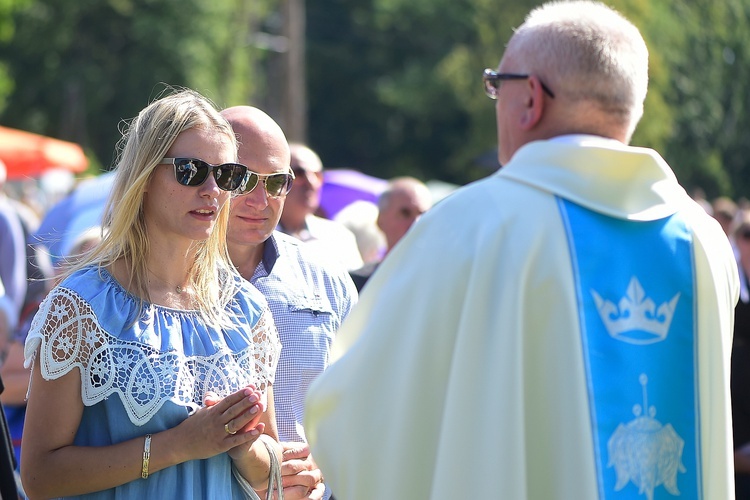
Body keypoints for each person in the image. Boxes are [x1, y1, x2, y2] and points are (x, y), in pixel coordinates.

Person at [304, 2, 739, 499]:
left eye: (496, 85)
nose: (495, 102)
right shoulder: (703, 242)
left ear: (530, 97)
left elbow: (358, 415)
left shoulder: (471, 225)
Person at [20, 88, 284, 499]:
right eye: (192, 170)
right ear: (143, 178)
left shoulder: (246, 309)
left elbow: (269, 469)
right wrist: (180, 444)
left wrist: (244, 446)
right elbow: (39, 477)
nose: (213, 189)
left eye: (228, 175)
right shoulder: (81, 307)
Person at [221, 105, 357, 500]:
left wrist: (324, 473)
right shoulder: (161, 280)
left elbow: (361, 406)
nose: (261, 200)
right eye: (243, 178)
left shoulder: (327, 278)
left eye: (277, 182)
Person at [278, 143, 363, 271]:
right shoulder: (256, 234)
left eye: (317, 175)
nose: (311, 182)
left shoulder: (339, 237)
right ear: (279, 178)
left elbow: (356, 288)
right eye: (300, 174)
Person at [349, 176, 432, 291]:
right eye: (405, 213)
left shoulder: (439, 281)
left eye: (423, 214)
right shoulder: (356, 283)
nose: (416, 222)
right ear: (381, 221)